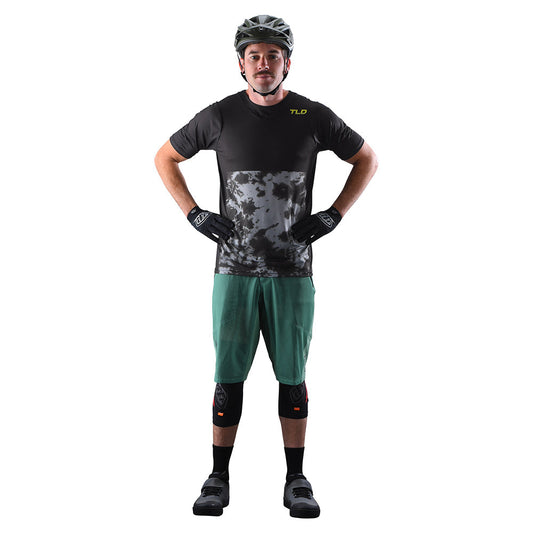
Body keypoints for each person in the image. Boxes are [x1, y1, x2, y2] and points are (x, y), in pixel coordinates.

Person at [154, 15, 378, 519]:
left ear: (287, 63)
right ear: (241, 64)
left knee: (292, 377)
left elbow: (367, 158)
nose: (263, 64)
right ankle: (217, 477)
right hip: (233, 269)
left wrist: (334, 214)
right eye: (254, 56)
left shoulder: (312, 115)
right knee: (227, 377)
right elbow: (164, 157)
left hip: (292, 271)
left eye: (272, 56)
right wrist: (193, 213)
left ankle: (296, 479)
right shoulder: (219, 115)